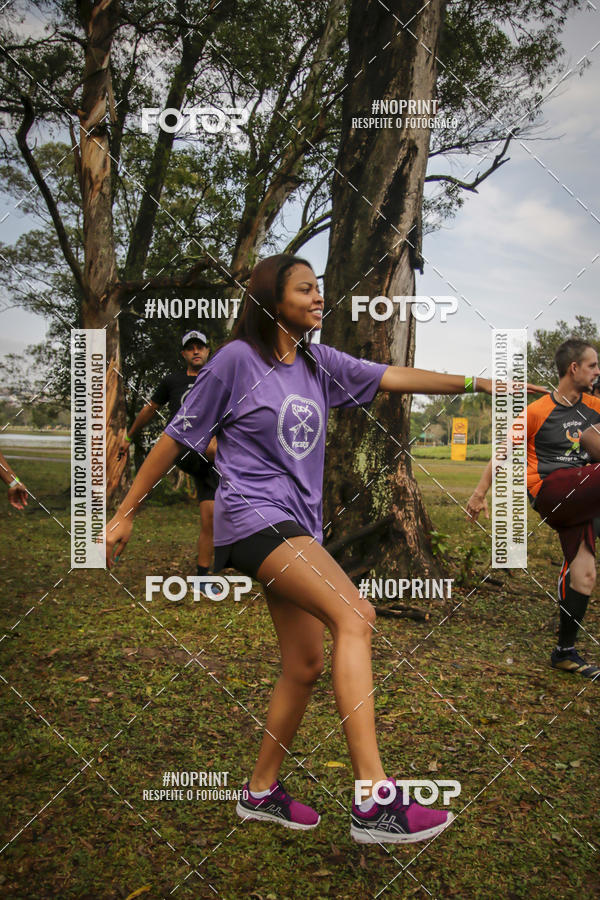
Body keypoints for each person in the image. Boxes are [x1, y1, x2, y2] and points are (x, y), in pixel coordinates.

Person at [106, 254, 544, 844]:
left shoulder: (317, 363)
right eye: (304, 289)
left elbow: (392, 375)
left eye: (319, 289)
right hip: (253, 518)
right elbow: (175, 436)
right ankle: (374, 800)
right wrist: (125, 512)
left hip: (296, 526)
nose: (319, 297)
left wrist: (480, 383)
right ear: (272, 300)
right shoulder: (237, 360)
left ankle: (260, 792)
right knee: (356, 615)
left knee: (305, 664)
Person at [467, 339, 600, 679]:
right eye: (592, 366)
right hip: (550, 490)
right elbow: (502, 453)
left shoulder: (596, 406)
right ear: (573, 368)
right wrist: (479, 494)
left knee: (585, 575)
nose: (597, 372)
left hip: (585, 493)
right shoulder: (536, 411)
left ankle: (564, 653)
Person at [118, 331, 219, 592]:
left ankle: (202, 578)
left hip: (210, 463)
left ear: (207, 351)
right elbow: (150, 409)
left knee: (210, 518)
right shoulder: (172, 381)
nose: (196, 351)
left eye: (200, 347)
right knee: (215, 448)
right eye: (190, 348)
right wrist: (129, 436)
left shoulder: (218, 379)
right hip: (185, 450)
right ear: (183, 354)